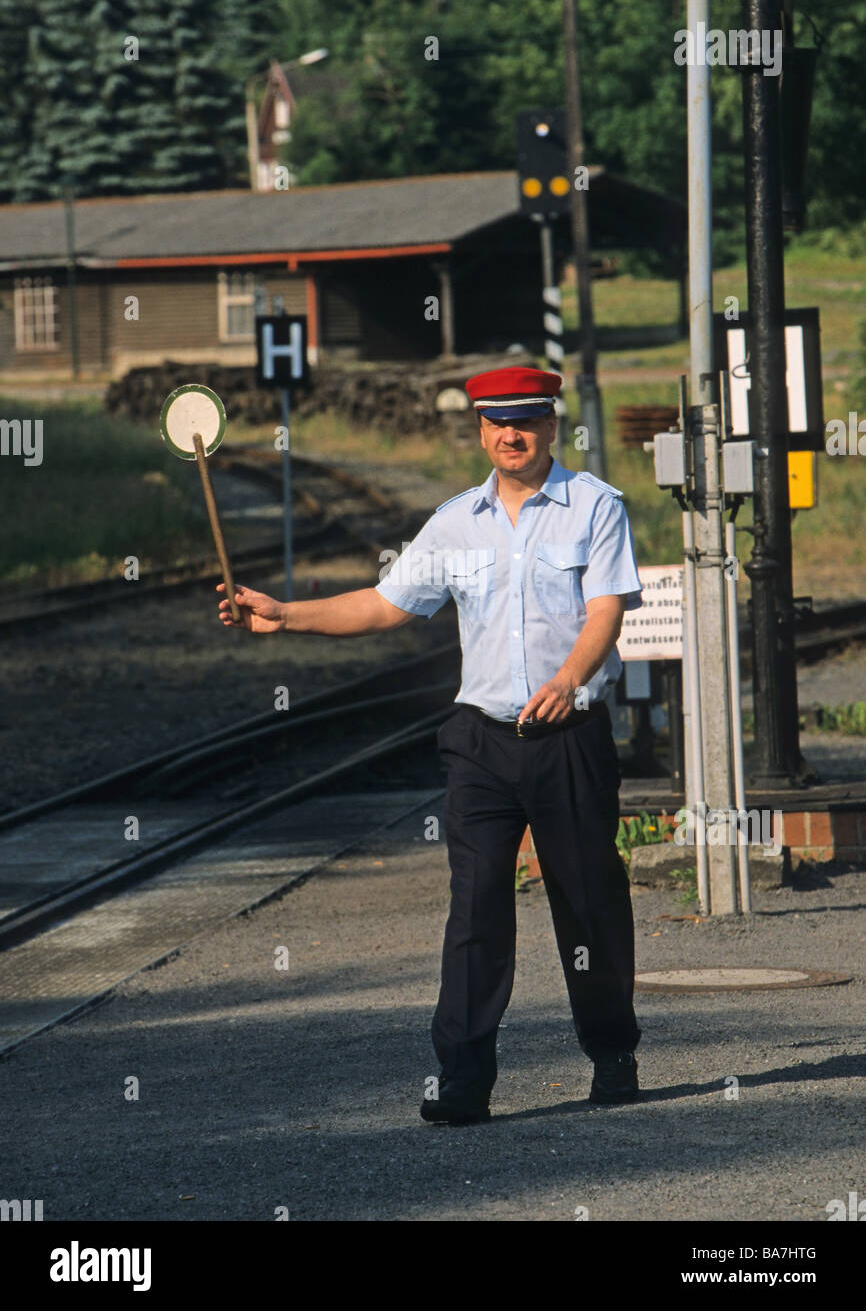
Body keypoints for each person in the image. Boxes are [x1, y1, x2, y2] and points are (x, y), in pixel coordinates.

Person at [217, 365, 643, 1124]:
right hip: (479, 743)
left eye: (525, 421)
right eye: (494, 422)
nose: (509, 435)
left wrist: (571, 680)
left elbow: (604, 612)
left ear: (551, 424)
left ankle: (612, 1052)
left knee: (587, 902)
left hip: (568, 738)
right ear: (480, 429)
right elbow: (384, 605)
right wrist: (285, 614)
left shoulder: (594, 508)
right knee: (476, 908)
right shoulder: (455, 522)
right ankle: (464, 1079)